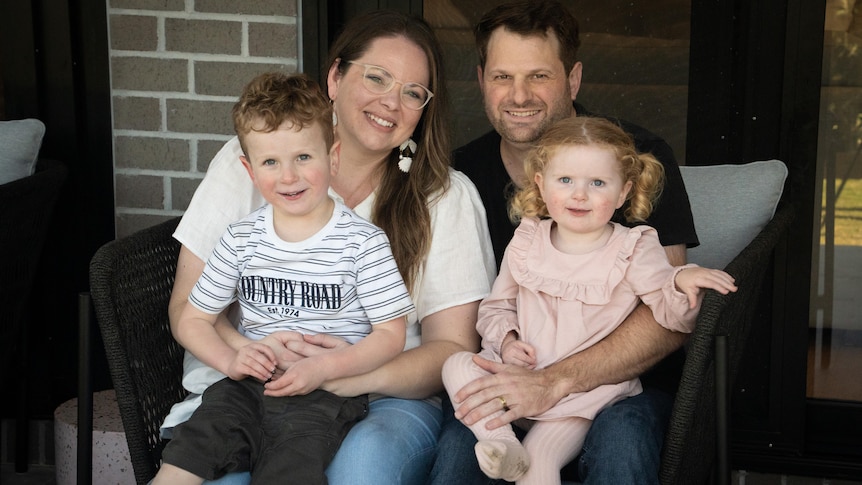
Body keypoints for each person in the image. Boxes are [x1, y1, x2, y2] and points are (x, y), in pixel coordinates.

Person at [161, 9, 496, 485]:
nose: (391, 103)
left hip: (384, 399)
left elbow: (452, 348)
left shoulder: (444, 195)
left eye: (412, 92)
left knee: (361, 466)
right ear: (335, 77)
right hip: (244, 393)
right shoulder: (254, 163)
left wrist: (344, 375)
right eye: (376, 77)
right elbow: (188, 308)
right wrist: (254, 356)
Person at [438, 1, 700, 483]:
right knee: (457, 457)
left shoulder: (633, 161)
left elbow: (666, 322)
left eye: (539, 75)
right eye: (502, 77)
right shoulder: (461, 177)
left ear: (573, 79)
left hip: (620, 388)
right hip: (509, 378)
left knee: (623, 443)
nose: (519, 95)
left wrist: (553, 383)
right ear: (480, 80)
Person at [442, 116, 737, 485]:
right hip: (518, 377)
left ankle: (523, 457)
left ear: (624, 192)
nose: (579, 194)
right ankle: (502, 444)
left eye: (597, 183)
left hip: (582, 396)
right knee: (456, 364)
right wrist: (508, 340)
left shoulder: (633, 247)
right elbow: (497, 307)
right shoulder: (528, 238)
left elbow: (667, 309)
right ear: (541, 184)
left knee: (540, 461)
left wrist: (681, 278)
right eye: (565, 180)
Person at [153, 72, 414, 484]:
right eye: (270, 162)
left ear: (333, 156)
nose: (288, 176)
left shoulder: (362, 243)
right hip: (244, 387)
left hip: (321, 394)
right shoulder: (240, 239)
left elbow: (390, 334)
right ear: (250, 169)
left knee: (288, 470)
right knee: (186, 457)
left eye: (303, 158)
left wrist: (329, 367)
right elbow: (193, 318)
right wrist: (232, 360)